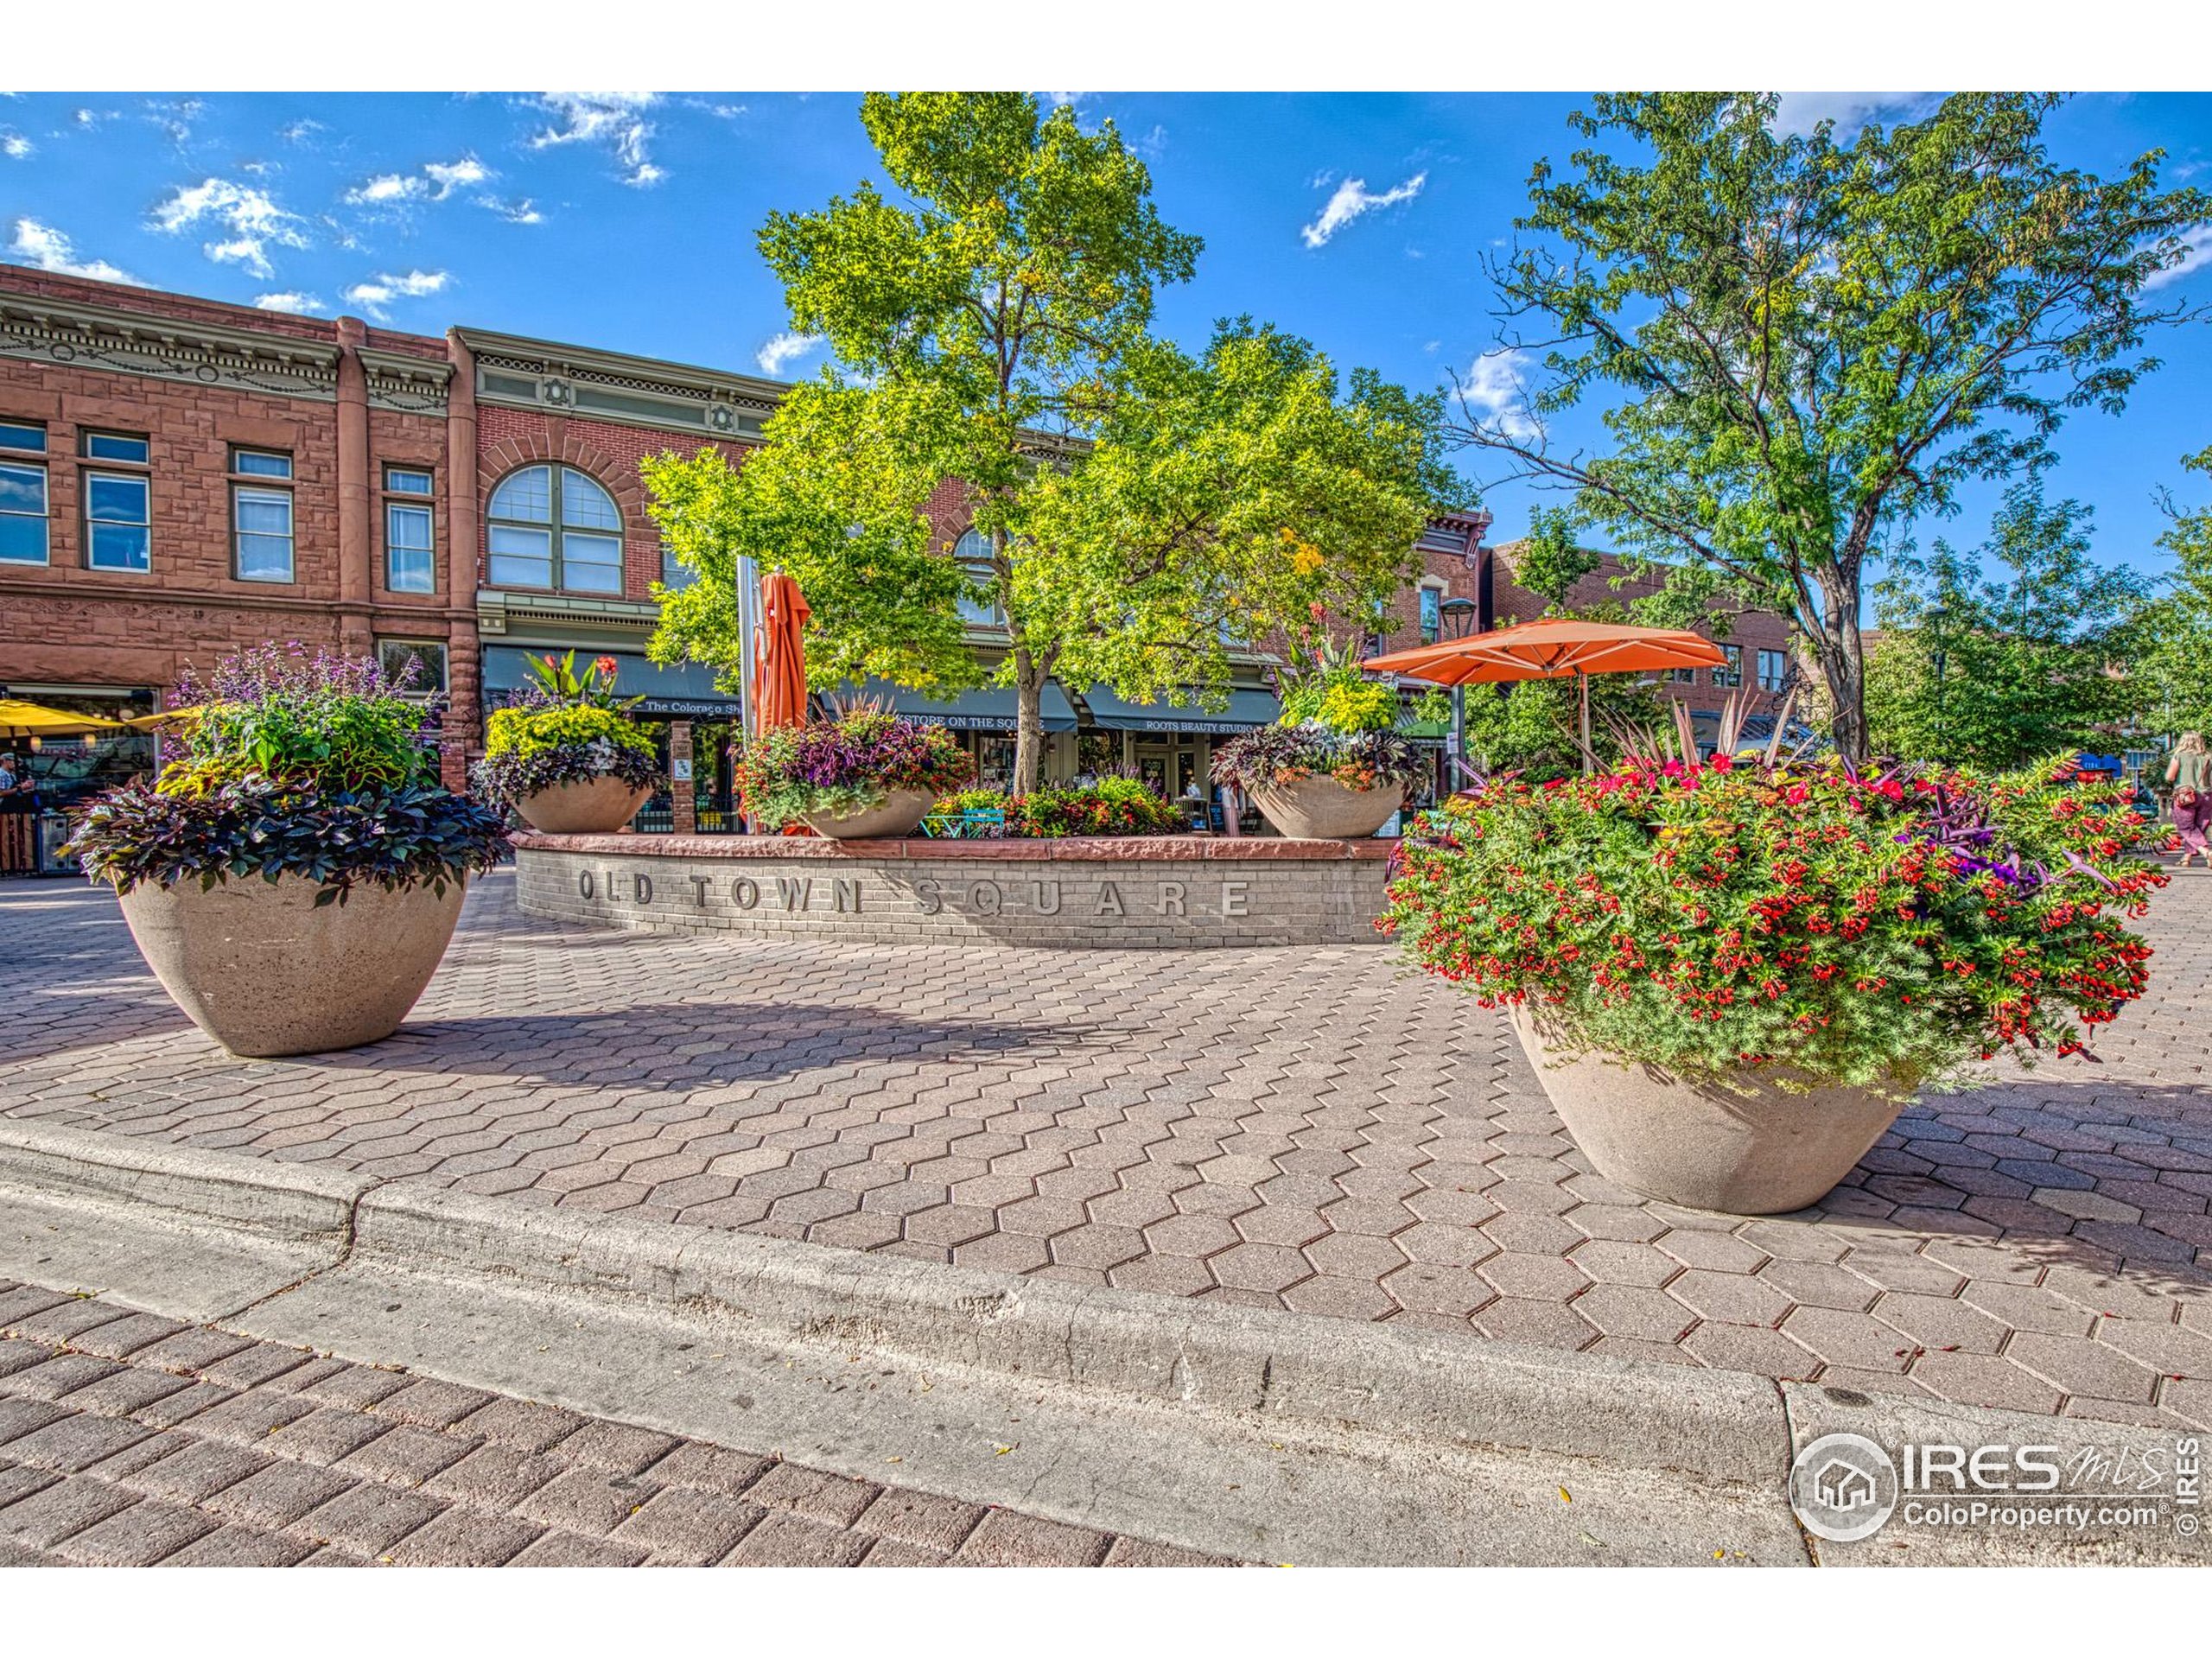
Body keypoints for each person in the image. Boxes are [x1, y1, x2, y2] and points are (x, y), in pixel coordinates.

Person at [2166, 733, 2211, 867]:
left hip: (2185, 796)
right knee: (2198, 828)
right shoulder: (2209, 757)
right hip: (2207, 796)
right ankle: (2186, 858)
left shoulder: (2179, 756)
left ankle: (2206, 852)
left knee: (2186, 828)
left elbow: (2170, 777)